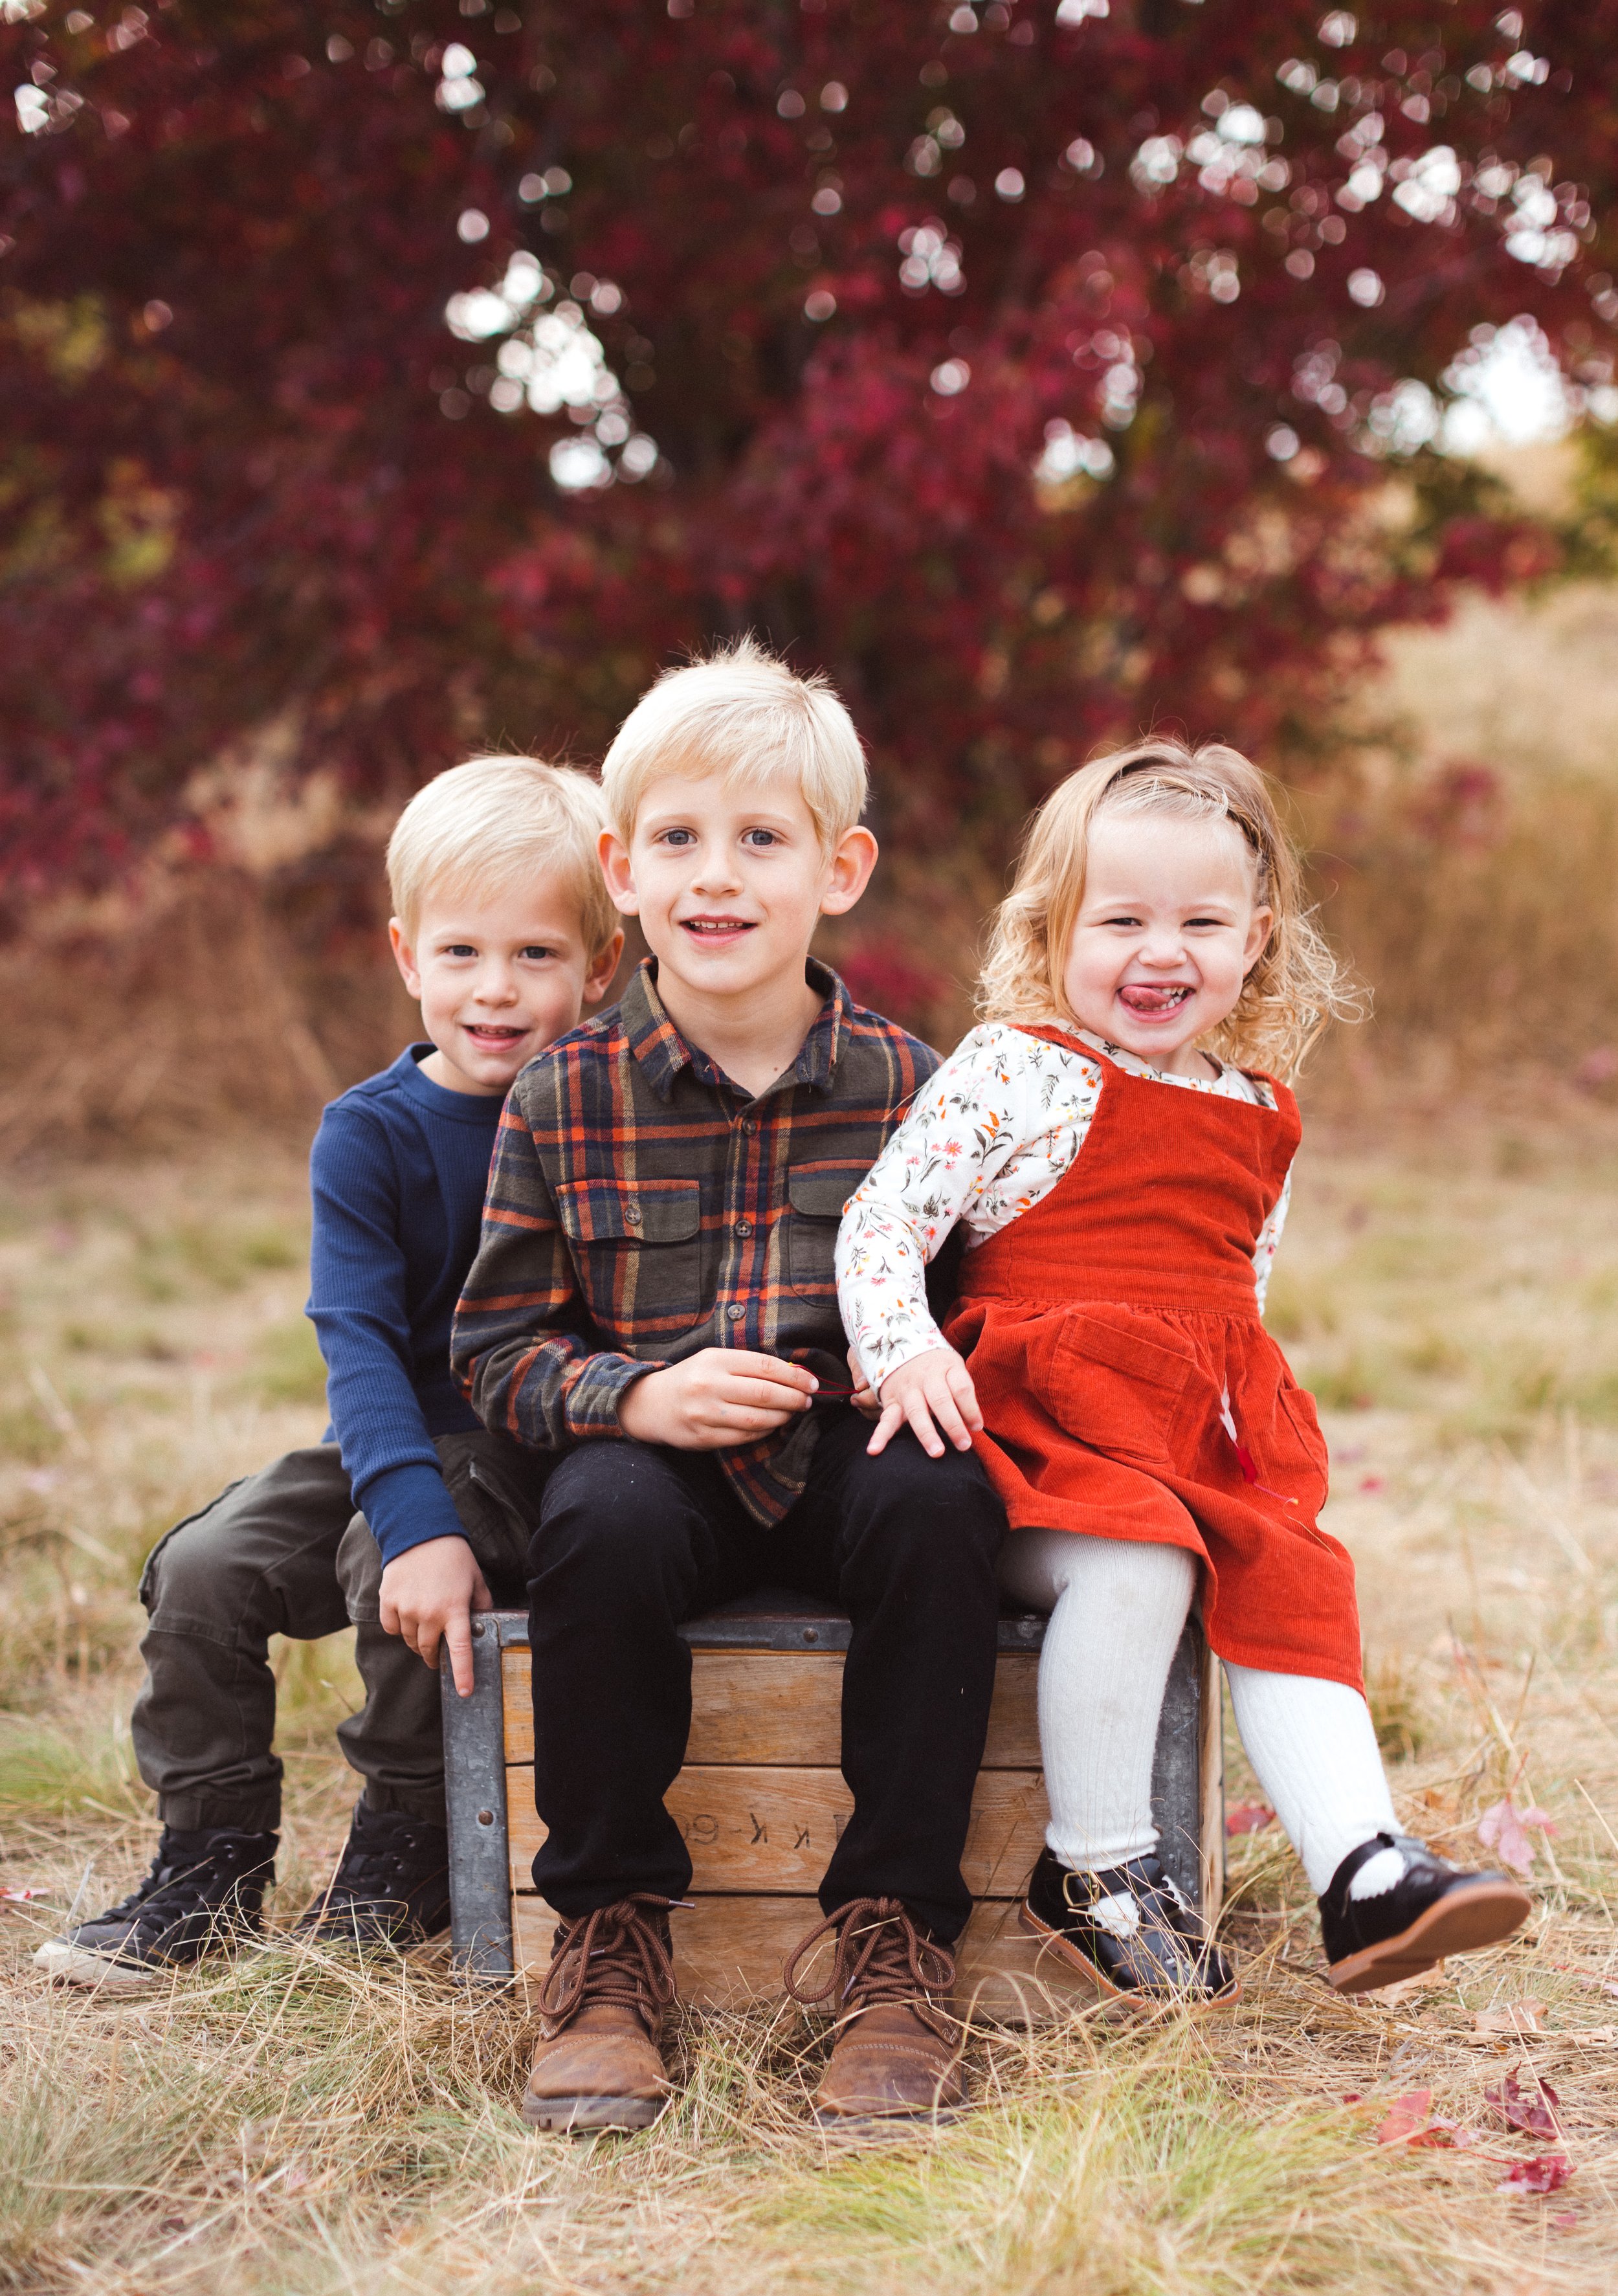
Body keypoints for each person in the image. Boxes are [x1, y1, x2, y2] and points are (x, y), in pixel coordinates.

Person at [836, 738, 1530, 2007]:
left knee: (1290, 1574)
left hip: (1192, 1429)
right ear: (1053, 927)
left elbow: (1237, 1288)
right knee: (1140, 1553)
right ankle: (1096, 1869)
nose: (1161, 952)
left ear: (1257, 936)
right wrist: (901, 1347)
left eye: (1200, 921)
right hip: (1042, 1443)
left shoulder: (1261, 1106)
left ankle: (1360, 1871)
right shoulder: (1018, 1069)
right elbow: (884, 1223)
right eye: (1121, 919)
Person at [451, 640, 1005, 2135]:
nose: (717, 877)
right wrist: (632, 1399)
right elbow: (497, 1346)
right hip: (663, 1455)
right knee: (602, 1520)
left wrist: (928, 1367)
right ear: (623, 869)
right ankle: (612, 1938)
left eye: (760, 840)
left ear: (839, 869)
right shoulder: (564, 1092)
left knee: (941, 1501)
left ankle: (893, 1945)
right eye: (681, 841)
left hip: (848, 1453)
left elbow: (970, 1313)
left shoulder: (914, 1087)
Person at [35, 759, 622, 1992]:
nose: (496, 990)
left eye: (536, 955)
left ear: (600, 970)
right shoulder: (372, 1130)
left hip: (531, 1448)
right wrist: (403, 1506)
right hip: (394, 1431)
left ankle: (408, 1843)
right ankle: (211, 1857)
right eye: (462, 952)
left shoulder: (601, 1116)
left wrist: (415, 1530)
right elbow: (353, 1339)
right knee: (206, 1565)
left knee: (392, 1563)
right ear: (408, 956)